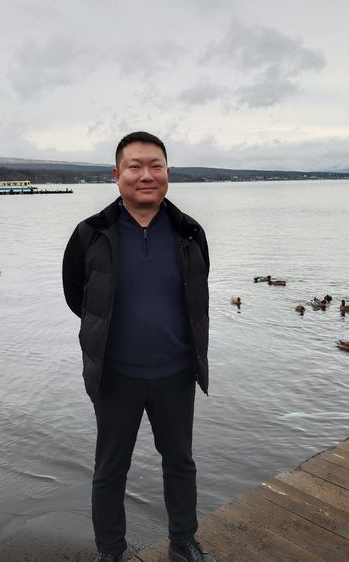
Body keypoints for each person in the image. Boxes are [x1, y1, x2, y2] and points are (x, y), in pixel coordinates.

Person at [62, 132, 215, 562]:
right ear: (117, 175)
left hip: (175, 372)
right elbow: (77, 296)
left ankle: (183, 542)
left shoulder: (189, 232)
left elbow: (196, 290)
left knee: (180, 462)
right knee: (111, 468)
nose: (146, 175)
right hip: (116, 375)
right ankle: (111, 552)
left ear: (168, 172)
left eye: (155, 166)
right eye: (135, 166)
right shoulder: (90, 234)